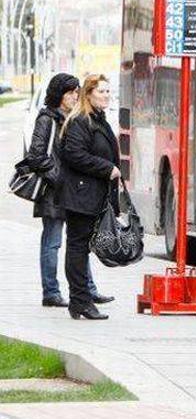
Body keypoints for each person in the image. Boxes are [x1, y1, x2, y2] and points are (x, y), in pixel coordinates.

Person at [28, 73, 113, 308]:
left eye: (77, 92)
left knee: (79, 241)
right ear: (59, 94)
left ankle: (88, 290)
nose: (75, 97)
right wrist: (60, 178)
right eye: (70, 93)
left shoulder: (76, 118)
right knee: (53, 241)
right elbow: (36, 156)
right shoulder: (47, 118)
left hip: (74, 190)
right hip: (53, 191)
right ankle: (51, 292)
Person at [59, 74, 120, 321]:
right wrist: (107, 169)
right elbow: (74, 154)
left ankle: (80, 301)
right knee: (78, 248)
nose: (106, 95)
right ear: (89, 94)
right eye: (101, 91)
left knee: (81, 248)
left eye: (108, 91)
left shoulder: (98, 119)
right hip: (81, 196)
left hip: (92, 195)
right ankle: (80, 301)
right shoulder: (81, 121)